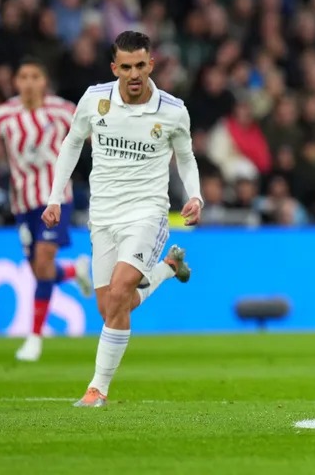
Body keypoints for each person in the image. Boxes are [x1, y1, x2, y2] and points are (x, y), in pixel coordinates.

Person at [42, 31, 204, 407]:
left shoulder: (172, 110)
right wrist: (55, 199)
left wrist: (194, 195)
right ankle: (168, 267)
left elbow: (186, 157)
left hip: (147, 212)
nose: (134, 74)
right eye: (126, 67)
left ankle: (97, 389)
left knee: (119, 293)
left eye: (141, 66)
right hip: (102, 215)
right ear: (115, 67)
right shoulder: (94, 100)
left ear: (152, 65)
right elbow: (70, 145)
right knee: (113, 306)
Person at [0, 57, 93, 362]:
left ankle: (34, 338)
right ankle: (73, 270)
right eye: (23, 76)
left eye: (35, 76)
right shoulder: (4, 114)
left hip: (55, 198)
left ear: (44, 81)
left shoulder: (63, 110)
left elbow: (92, 134)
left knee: (42, 261)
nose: (29, 82)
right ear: (16, 82)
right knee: (38, 270)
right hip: (22, 203)